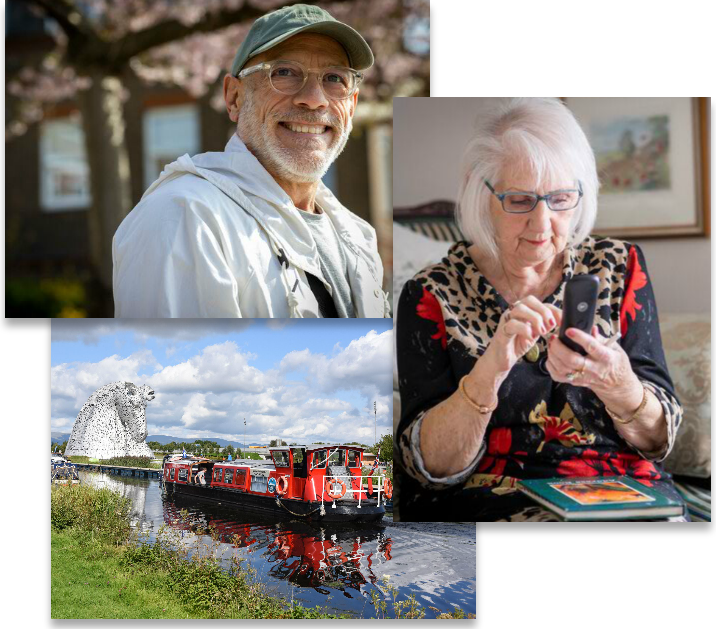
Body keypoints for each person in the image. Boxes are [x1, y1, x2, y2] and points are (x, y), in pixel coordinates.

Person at [396, 97, 689, 521]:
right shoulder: (432, 293)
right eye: (519, 200)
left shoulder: (619, 267)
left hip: (622, 493)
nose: (542, 223)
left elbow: (659, 438)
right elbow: (428, 469)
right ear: (483, 196)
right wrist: (489, 372)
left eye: (560, 198)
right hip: (492, 494)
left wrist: (619, 383)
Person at [113, 4, 389, 318]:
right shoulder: (186, 219)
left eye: (334, 78)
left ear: (351, 106)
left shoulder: (357, 235)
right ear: (234, 97)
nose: (314, 98)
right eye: (284, 72)